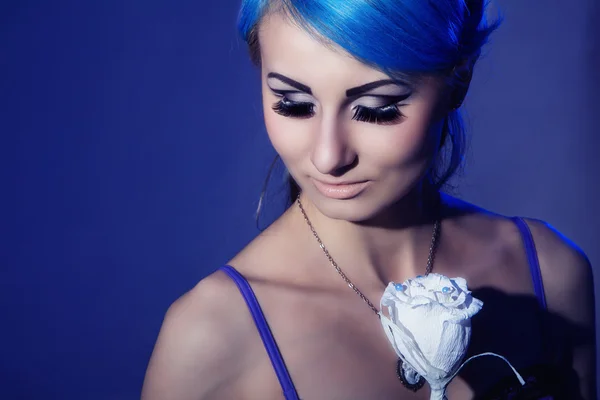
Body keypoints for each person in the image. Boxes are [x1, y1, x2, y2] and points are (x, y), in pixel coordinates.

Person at [141, 0, 596, 398]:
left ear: (459, 80)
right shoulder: (211, 334)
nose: (328, 156)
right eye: (294, 104)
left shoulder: (551, 275)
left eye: (376, 110)